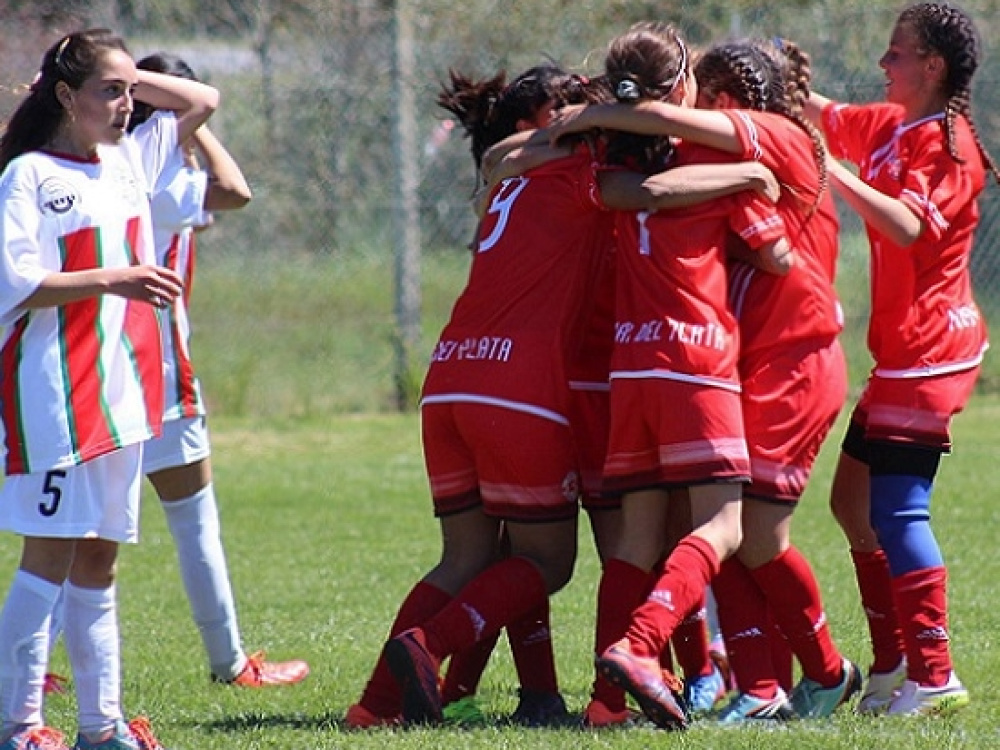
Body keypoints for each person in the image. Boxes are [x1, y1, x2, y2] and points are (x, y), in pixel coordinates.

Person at [547, 33, 865, 724]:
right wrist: (737, 197)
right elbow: (773, 254)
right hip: (704, 363)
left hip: (745, 363)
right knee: (729, 528)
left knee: (712, 533)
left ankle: (767, 681)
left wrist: (583, 121)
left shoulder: (746, 142)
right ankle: (746, 677)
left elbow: (633, 177)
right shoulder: (720, 168)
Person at [0, 28, 217, 750]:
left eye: (131, 91)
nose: (128, 105)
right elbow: (16, 284)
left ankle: (101, 727)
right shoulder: (30, 176)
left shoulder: (128, 159)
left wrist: (126, 77)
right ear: (66, 96)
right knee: (47, 560)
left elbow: (203, 99)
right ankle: (19, 727)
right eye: (110, 91)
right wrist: (113, 278)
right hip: (53, 397)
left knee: (99, 560)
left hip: (122, 397)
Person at [805, 1, 1000, 716]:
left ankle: (936, 674)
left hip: (931, 352)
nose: (884, 62)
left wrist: (834, 174)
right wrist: (781, 81)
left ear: (932, 66)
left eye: (897, 52)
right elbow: (827, 116)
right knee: (850, 502)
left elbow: (911, 227)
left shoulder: (948, 144)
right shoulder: (894, 124)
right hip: (900, 353)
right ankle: (892, 666)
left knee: (895, 511)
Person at [129, 51, 309, 689]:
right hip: (154, 365)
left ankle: (30, 669)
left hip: (99, 365)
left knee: (81, 531)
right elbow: (235, 190)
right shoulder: (153, 170)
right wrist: (195, 126)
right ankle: (230, 663)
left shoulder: (114, 164)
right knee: (193, 517)